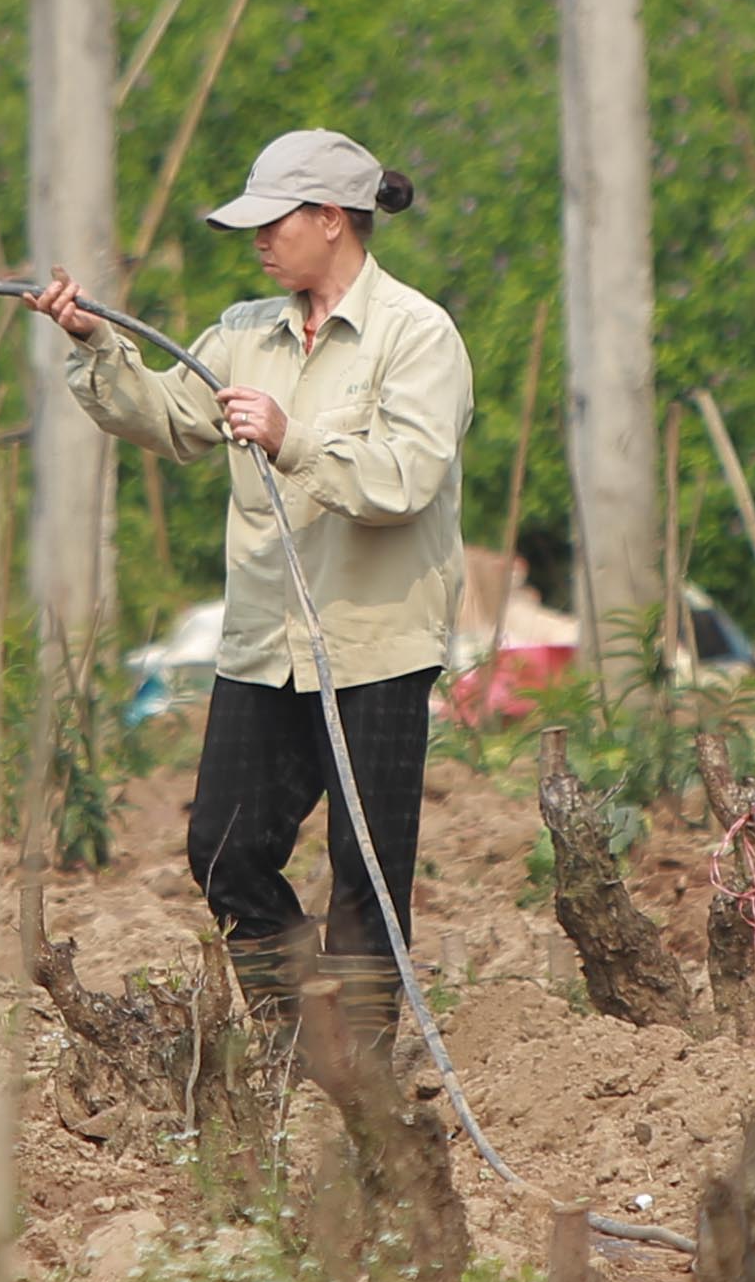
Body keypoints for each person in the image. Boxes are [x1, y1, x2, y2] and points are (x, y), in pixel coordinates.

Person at [26, 128, 468, 1034]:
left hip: (375, 645)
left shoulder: (417, 335)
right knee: (224, 848)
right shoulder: (241, 334)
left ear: (335, 221)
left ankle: (365, 1074)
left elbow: (404, 481)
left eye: (274, 222)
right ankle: (301, 1033)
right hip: (266, 644)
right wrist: (96, 344)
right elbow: (168, 420)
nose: (258, 241)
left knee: (367, 870)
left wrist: (290, 439)